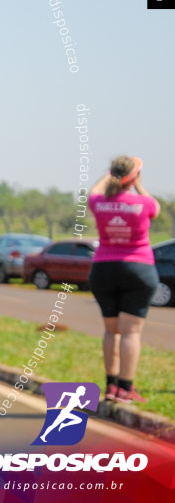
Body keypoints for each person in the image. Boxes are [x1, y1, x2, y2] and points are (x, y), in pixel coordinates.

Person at [87, 156, 160, 404]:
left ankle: (110, 386)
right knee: (131, 333)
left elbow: (93, 191)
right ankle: (125, 390)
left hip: (104, 269)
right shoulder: (143, 203)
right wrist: (137, 182)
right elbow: (156, 208)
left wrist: (110, 174)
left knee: (111, 330)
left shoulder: (100, 202)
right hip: (138, 269)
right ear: (134, 177)